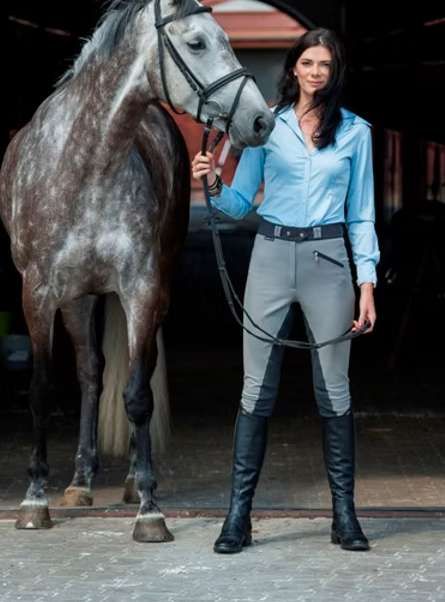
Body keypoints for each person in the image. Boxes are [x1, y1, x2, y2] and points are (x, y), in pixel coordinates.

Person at [192, 29, 380, 555]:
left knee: (335, 393)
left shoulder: (355, 133)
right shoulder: (266, 128)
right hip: (271, 258)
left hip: (329, 262)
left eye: (326, 64)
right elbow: (235, 205)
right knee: (256, 391)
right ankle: (237, 518)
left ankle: (344, 517)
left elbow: (362, 214)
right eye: (309, 62)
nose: (317, 72)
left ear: (334, 71)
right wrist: (210, 181)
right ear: (293, 67)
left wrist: (366, 283)